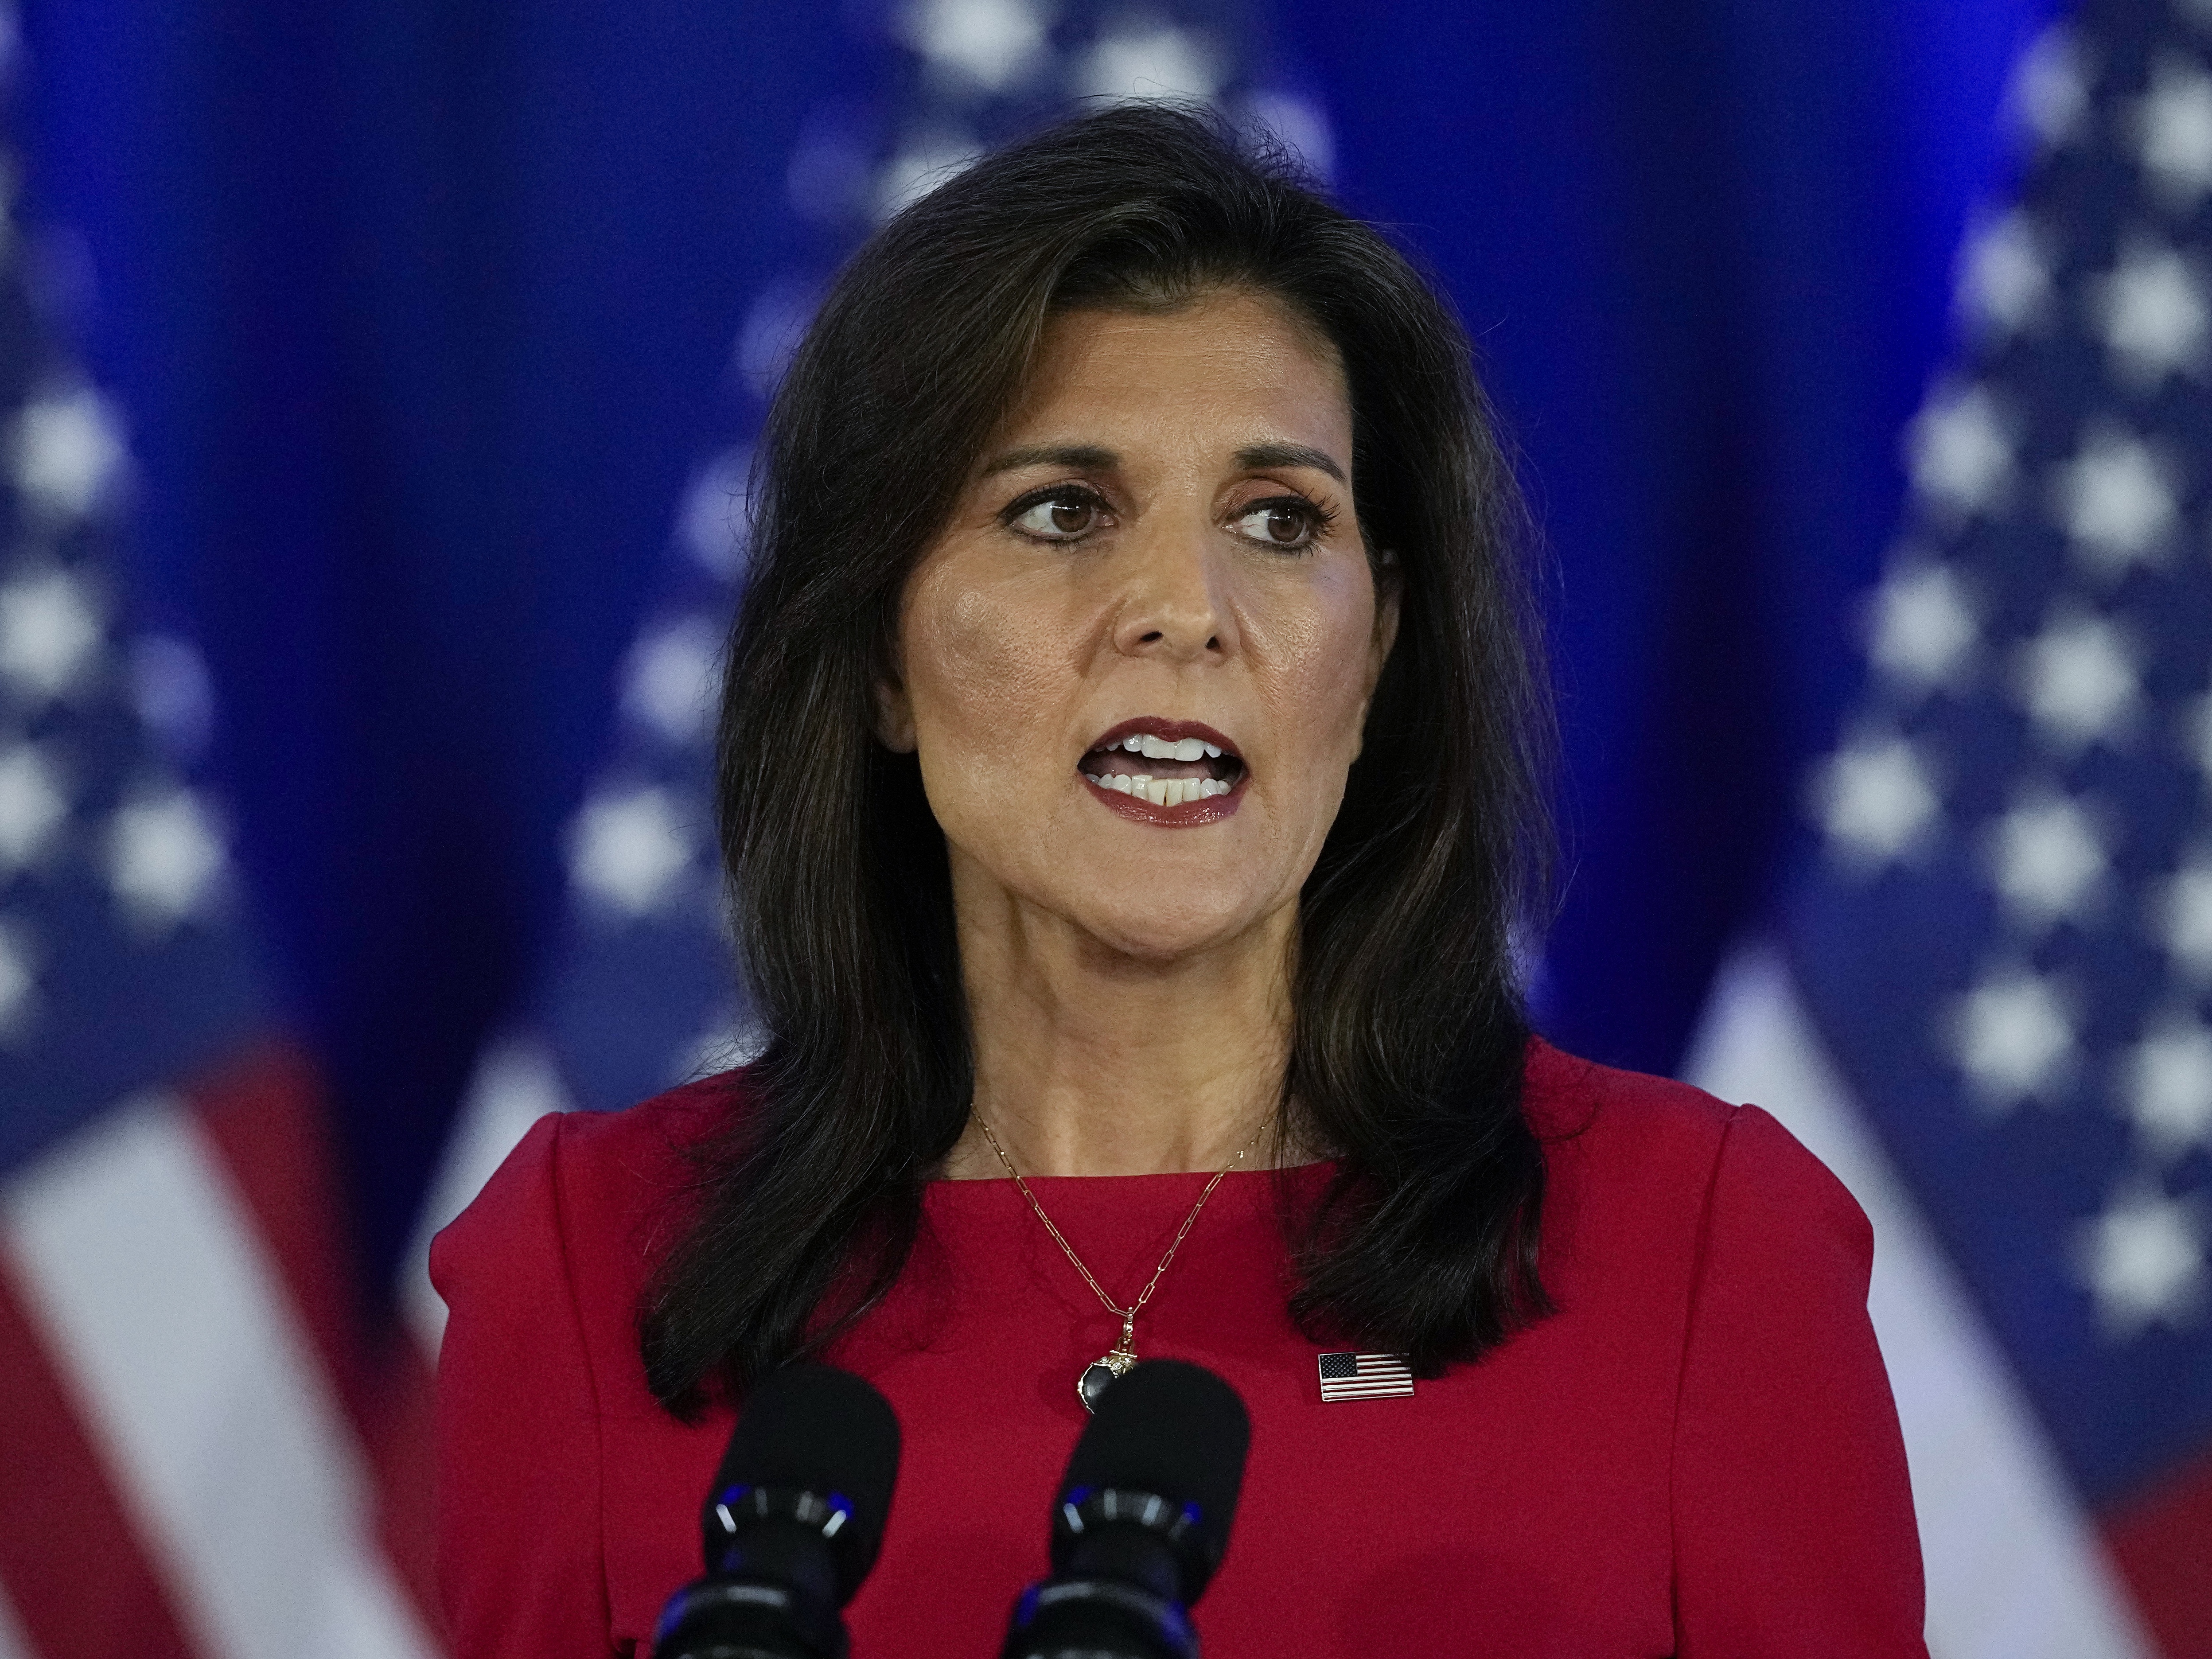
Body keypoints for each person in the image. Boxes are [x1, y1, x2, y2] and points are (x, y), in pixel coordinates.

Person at [433, 104, 1927, 1657]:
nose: (1186, 611)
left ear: (1379, 651)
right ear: (879, 648)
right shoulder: (593, 1266)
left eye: (1282, 521)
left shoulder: (1697, 1256)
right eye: (1062, 512)